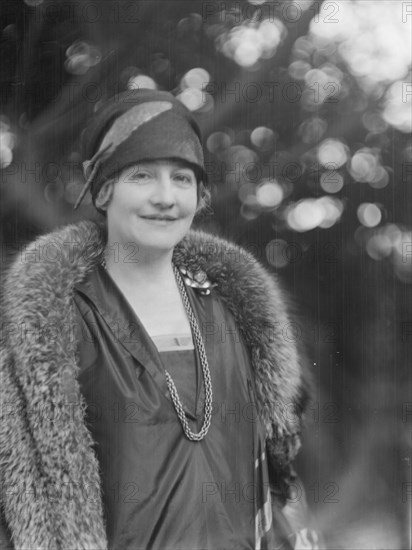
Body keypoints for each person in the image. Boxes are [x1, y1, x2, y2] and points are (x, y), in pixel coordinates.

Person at [0, 89, 320, 549]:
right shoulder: (56, 328)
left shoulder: (235, 315)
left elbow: (276, 483)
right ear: (104, 189)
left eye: (183, 179)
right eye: (143, 175)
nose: (166, 197)